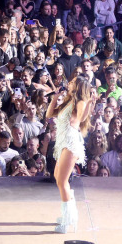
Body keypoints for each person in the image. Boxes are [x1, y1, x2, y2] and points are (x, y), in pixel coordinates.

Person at [46, 76, 96, 232]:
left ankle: (67, 222)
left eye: (72, 82)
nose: (69, 83)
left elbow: (80, 118)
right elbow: (49, 114)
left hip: (71, 143)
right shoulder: (68, 101)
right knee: (58, 177)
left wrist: (89, 103)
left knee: (62, 181)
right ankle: (70, 214)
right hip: (63, 142)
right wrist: (55, 98)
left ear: (78, 86)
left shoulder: (79, 103)